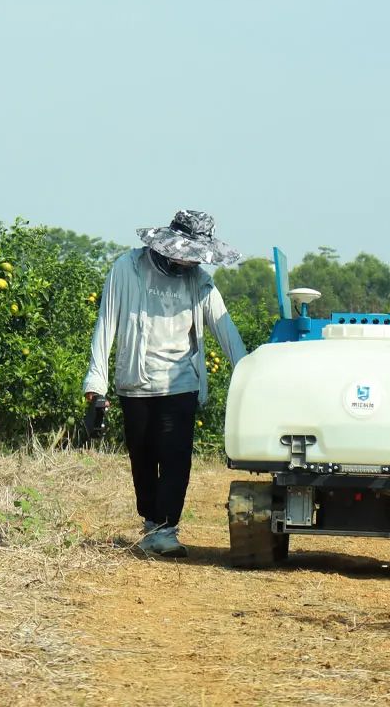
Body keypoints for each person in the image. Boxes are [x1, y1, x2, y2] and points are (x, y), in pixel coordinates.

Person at [83, 210, 248, 557]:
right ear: (168, 245)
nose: (187, 262)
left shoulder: (199, 282)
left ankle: (167, 530)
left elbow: (225, 329)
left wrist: (248, 372)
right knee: (142, 458)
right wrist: (95, 382)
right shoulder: (127, 268)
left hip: (181, 382)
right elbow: (106, 323)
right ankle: (151, 526)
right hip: (136, 382)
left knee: (175, 459)